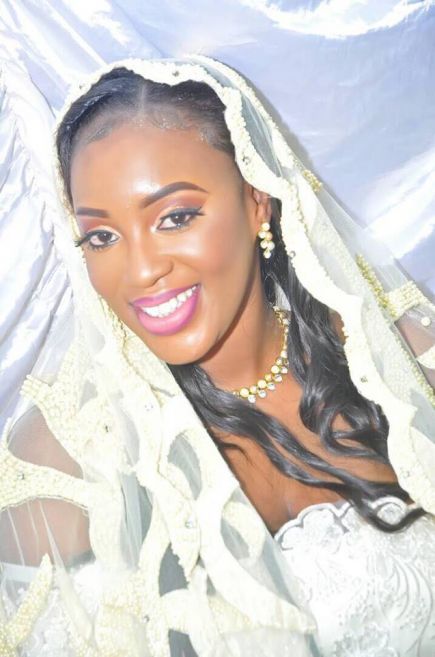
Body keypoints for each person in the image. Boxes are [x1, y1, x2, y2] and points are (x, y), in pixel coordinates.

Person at [0, 56, 434, 657]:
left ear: (258, 200)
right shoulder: (63, 461)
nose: (141, 271)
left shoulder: (398, 360)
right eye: (102, 236)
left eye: (175, 218)